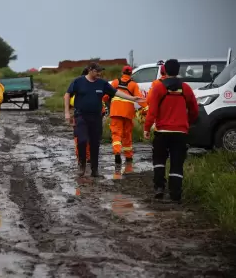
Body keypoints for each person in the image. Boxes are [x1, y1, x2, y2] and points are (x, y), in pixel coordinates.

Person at [64, 63, 146, 177]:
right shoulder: (78, 81)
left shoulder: (102, 83)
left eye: (100, 71)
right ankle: (81, 164)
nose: (99, 73)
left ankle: (94, 169)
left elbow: (116, 92)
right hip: (81, 116)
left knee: (95, 143)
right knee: (82, 140)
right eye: (97, 71)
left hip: (96, 117)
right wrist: (67, 113)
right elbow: (67, 95)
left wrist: (132, 98)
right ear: (90, 70)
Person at [144, 59, 199, 202]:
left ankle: (159, 188)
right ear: (178, 70)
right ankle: (175, 194)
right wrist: (188, 122)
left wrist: (146, 128)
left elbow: (152, 112)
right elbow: (194, 110)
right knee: (176, 163)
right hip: (180, 133)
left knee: (159, 160)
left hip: (162, 132)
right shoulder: (186, 88)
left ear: (165, 71)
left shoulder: (158, 88)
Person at [103, 66, 148, 164]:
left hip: (115, 112)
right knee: (127, 135)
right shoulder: (133, 85)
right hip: (127, 113)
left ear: (122, 72)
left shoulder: (115, 82)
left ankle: (117, 152)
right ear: (131, 73)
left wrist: (102, 102)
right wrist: (147, 108)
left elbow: (106, 96)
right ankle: (128, 157)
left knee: (116, 134)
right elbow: (139, 98)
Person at [70, 68, 106, 165]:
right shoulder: (81, 88)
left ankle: (84, 159)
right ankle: (85, 159)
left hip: (86, 117)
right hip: (86, 117)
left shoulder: (81, 87)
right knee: (86, 139)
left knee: (82, 139)